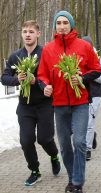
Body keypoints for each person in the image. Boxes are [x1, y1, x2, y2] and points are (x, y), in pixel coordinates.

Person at [37, 11, 101, 193]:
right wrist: (45, 87)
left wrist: (82, 77)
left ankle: (77, 182)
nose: (62, 26)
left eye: (66, 22)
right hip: (59, 104)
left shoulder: (84, 46)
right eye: (59, 23)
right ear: (55, 26)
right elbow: (42, 75)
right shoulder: (48, 49)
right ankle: (73, 177)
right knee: (65, 145)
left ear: (71, 25)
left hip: (80, 102)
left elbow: (96, 70)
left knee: (80, 142)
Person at [1, 20, 61, 186]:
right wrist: (16, 80)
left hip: (44, 104)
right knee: (26, 140)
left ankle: (54, 156)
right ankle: (35, 171)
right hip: (25, 106)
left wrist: (43, 84)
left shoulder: (46, 53)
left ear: (38, 34)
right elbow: (4, 77)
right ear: (22, 34)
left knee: (44, 138)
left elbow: (54, 76)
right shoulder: (15, 56)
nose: (27, 34)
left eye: (31, 32)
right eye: (25, 31)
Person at [82, 36, 101, 161]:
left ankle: (87, 149)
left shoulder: (99, 59)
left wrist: (92, 76)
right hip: (80, 96)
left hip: (94, 95)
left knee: (89, 123)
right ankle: (92, 135)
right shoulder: (76, 59)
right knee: (80, 124)